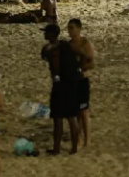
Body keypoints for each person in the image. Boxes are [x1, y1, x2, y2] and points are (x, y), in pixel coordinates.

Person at [41, 23, 80, 155]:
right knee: (72, 117)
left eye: (46, 32)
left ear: (52, 34)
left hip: (60, 84)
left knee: (58, 118)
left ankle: (57, 148)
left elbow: (51, 62)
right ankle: (74, 148)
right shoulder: (66, 45)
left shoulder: (50, 49)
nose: (44, 34)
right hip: (72, 83)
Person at [67, 18, 95, 148]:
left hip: (82, 79)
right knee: (75, 112)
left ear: (79, 29)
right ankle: (79, 137)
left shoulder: (85, 43)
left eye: (72, 28)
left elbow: (92, 63)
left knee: (84, 112)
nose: (70, 31)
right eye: (69, 28)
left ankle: (87, 140)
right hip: (72, 80)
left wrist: (82, 61)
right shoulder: (68, 45)